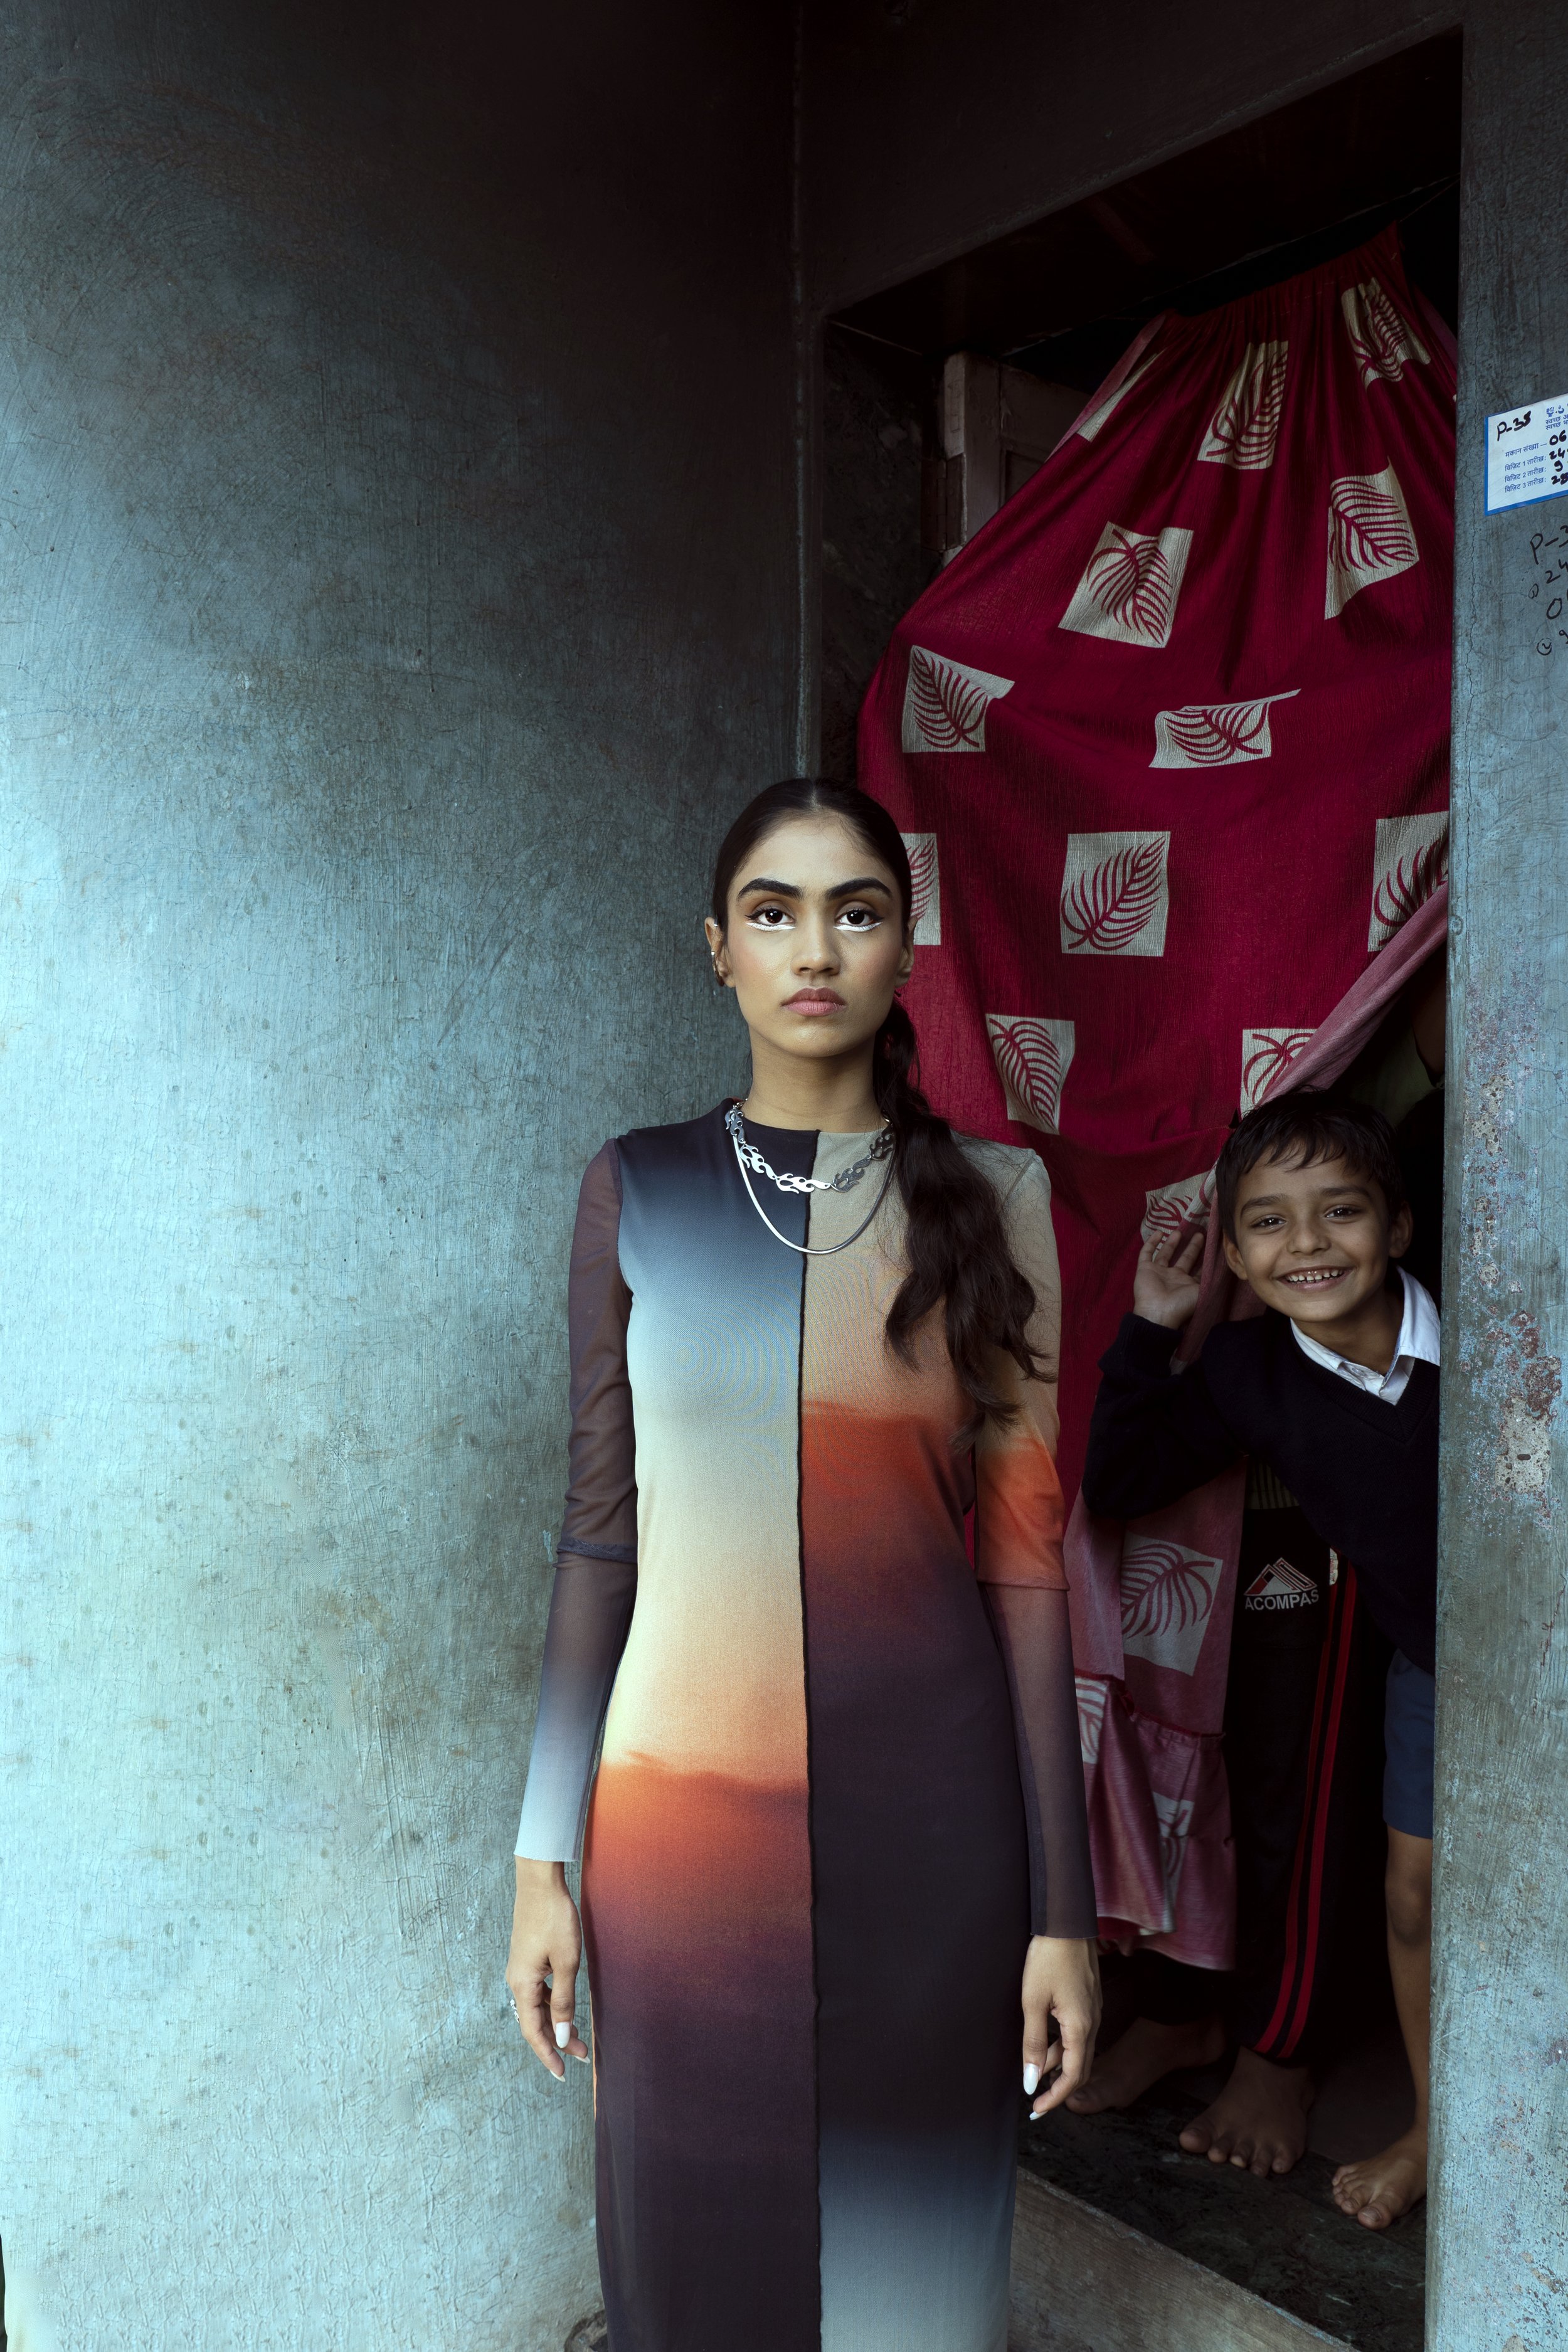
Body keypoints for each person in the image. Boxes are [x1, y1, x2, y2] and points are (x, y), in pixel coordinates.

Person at [506, 779, 1101, 2352]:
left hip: (936, 1828)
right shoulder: (637, 1188)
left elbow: (1026, 1572)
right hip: (678, 1834)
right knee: (690, 2251)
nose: (814, 949)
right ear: (718, 946)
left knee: (916, 2272)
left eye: (856, 911)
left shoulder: (998, 1198)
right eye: (772, 913)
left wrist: (1064, 1908)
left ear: (907, 946)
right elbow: (597, 1535)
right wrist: (539, 1862)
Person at [1076, 1093, 1436, 2231]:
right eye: (1270, 1222)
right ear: (1232, 1254)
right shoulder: (1248, 1368)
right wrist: (1151, 1327)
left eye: (1341, 1211)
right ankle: (1437, 2124)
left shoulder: (1489, 1331)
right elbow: (1121, 1481)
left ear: (1401, 1225)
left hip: (1533, 1652)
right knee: (1415, 1895)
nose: (1309, 1243)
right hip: (1429, 1664)